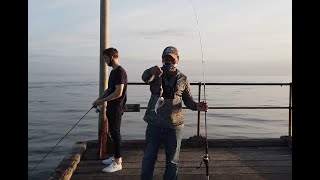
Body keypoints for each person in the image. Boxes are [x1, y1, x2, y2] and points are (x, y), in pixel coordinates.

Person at [140, 46, 208, 180]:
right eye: (165, 58)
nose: (168, 62)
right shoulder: (155, 74)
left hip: (174, 126)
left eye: (171, 58)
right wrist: (150, 71)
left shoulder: (183, 78)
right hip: (154, 123)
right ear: (162, 59)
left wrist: (198, 106)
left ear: (178, 59)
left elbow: (189, 102)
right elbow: (144, 78)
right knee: (148, 158)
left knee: (172, 161)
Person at [92, 47, 127, 173]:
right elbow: (109, 90)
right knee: (113, 133)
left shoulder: (120, 72)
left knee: (116, 134)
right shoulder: (113, 72)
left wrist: (101, 101)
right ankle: (116, 157)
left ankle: (118, 163)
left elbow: (118, 93)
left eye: (106, 58)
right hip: (111, 107)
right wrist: (98, 99)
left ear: (112, 57)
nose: (105, 61)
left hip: (117, 108)